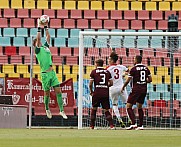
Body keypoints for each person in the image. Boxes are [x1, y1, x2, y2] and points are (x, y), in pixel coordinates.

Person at [33, 18, 67, 119]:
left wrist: (46, 26)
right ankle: (47, 108)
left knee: (58, 91)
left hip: (52, 73)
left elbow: (48, 36)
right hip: (45, 74)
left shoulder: (46, 47)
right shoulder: (37, 51)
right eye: (37, 43)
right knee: (47, 93)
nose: (39, 43)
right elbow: (39, 39)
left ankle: (61, 110)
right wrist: (39, 27)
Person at [121, 55, 152, 130]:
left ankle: (133, 124)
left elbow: (128, 80)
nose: (133, 60)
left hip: (136, 89)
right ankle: (141, 126)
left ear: (136, 60)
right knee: (140, 107)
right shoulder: (146, 68)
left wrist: (123, 86)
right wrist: (143, 82)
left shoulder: (133, 69)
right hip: (144, 89)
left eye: (134, 59)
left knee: (128, 106)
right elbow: (150, 80)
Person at [106, 52, 130, 128]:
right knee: (127, 104)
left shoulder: (108, 68)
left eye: (109, 59)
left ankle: (119, 119)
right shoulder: (121, 67)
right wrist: (123, 75)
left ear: (112, 60)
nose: (108, 60)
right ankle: (130, 119)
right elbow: (128, 70)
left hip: (112, 88)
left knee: (114, 104)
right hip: (121, 87)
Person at [89, 59, 114, 129]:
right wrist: (105, 86)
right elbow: (111, 83)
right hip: (105, 93)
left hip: (97, 92)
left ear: (96, 64)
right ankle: (111, 125)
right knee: (106, 110)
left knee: (94, 109)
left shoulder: (94, 72)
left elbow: (90, 84)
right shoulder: (107, 72)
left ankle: (92, 126)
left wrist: (91, 91)